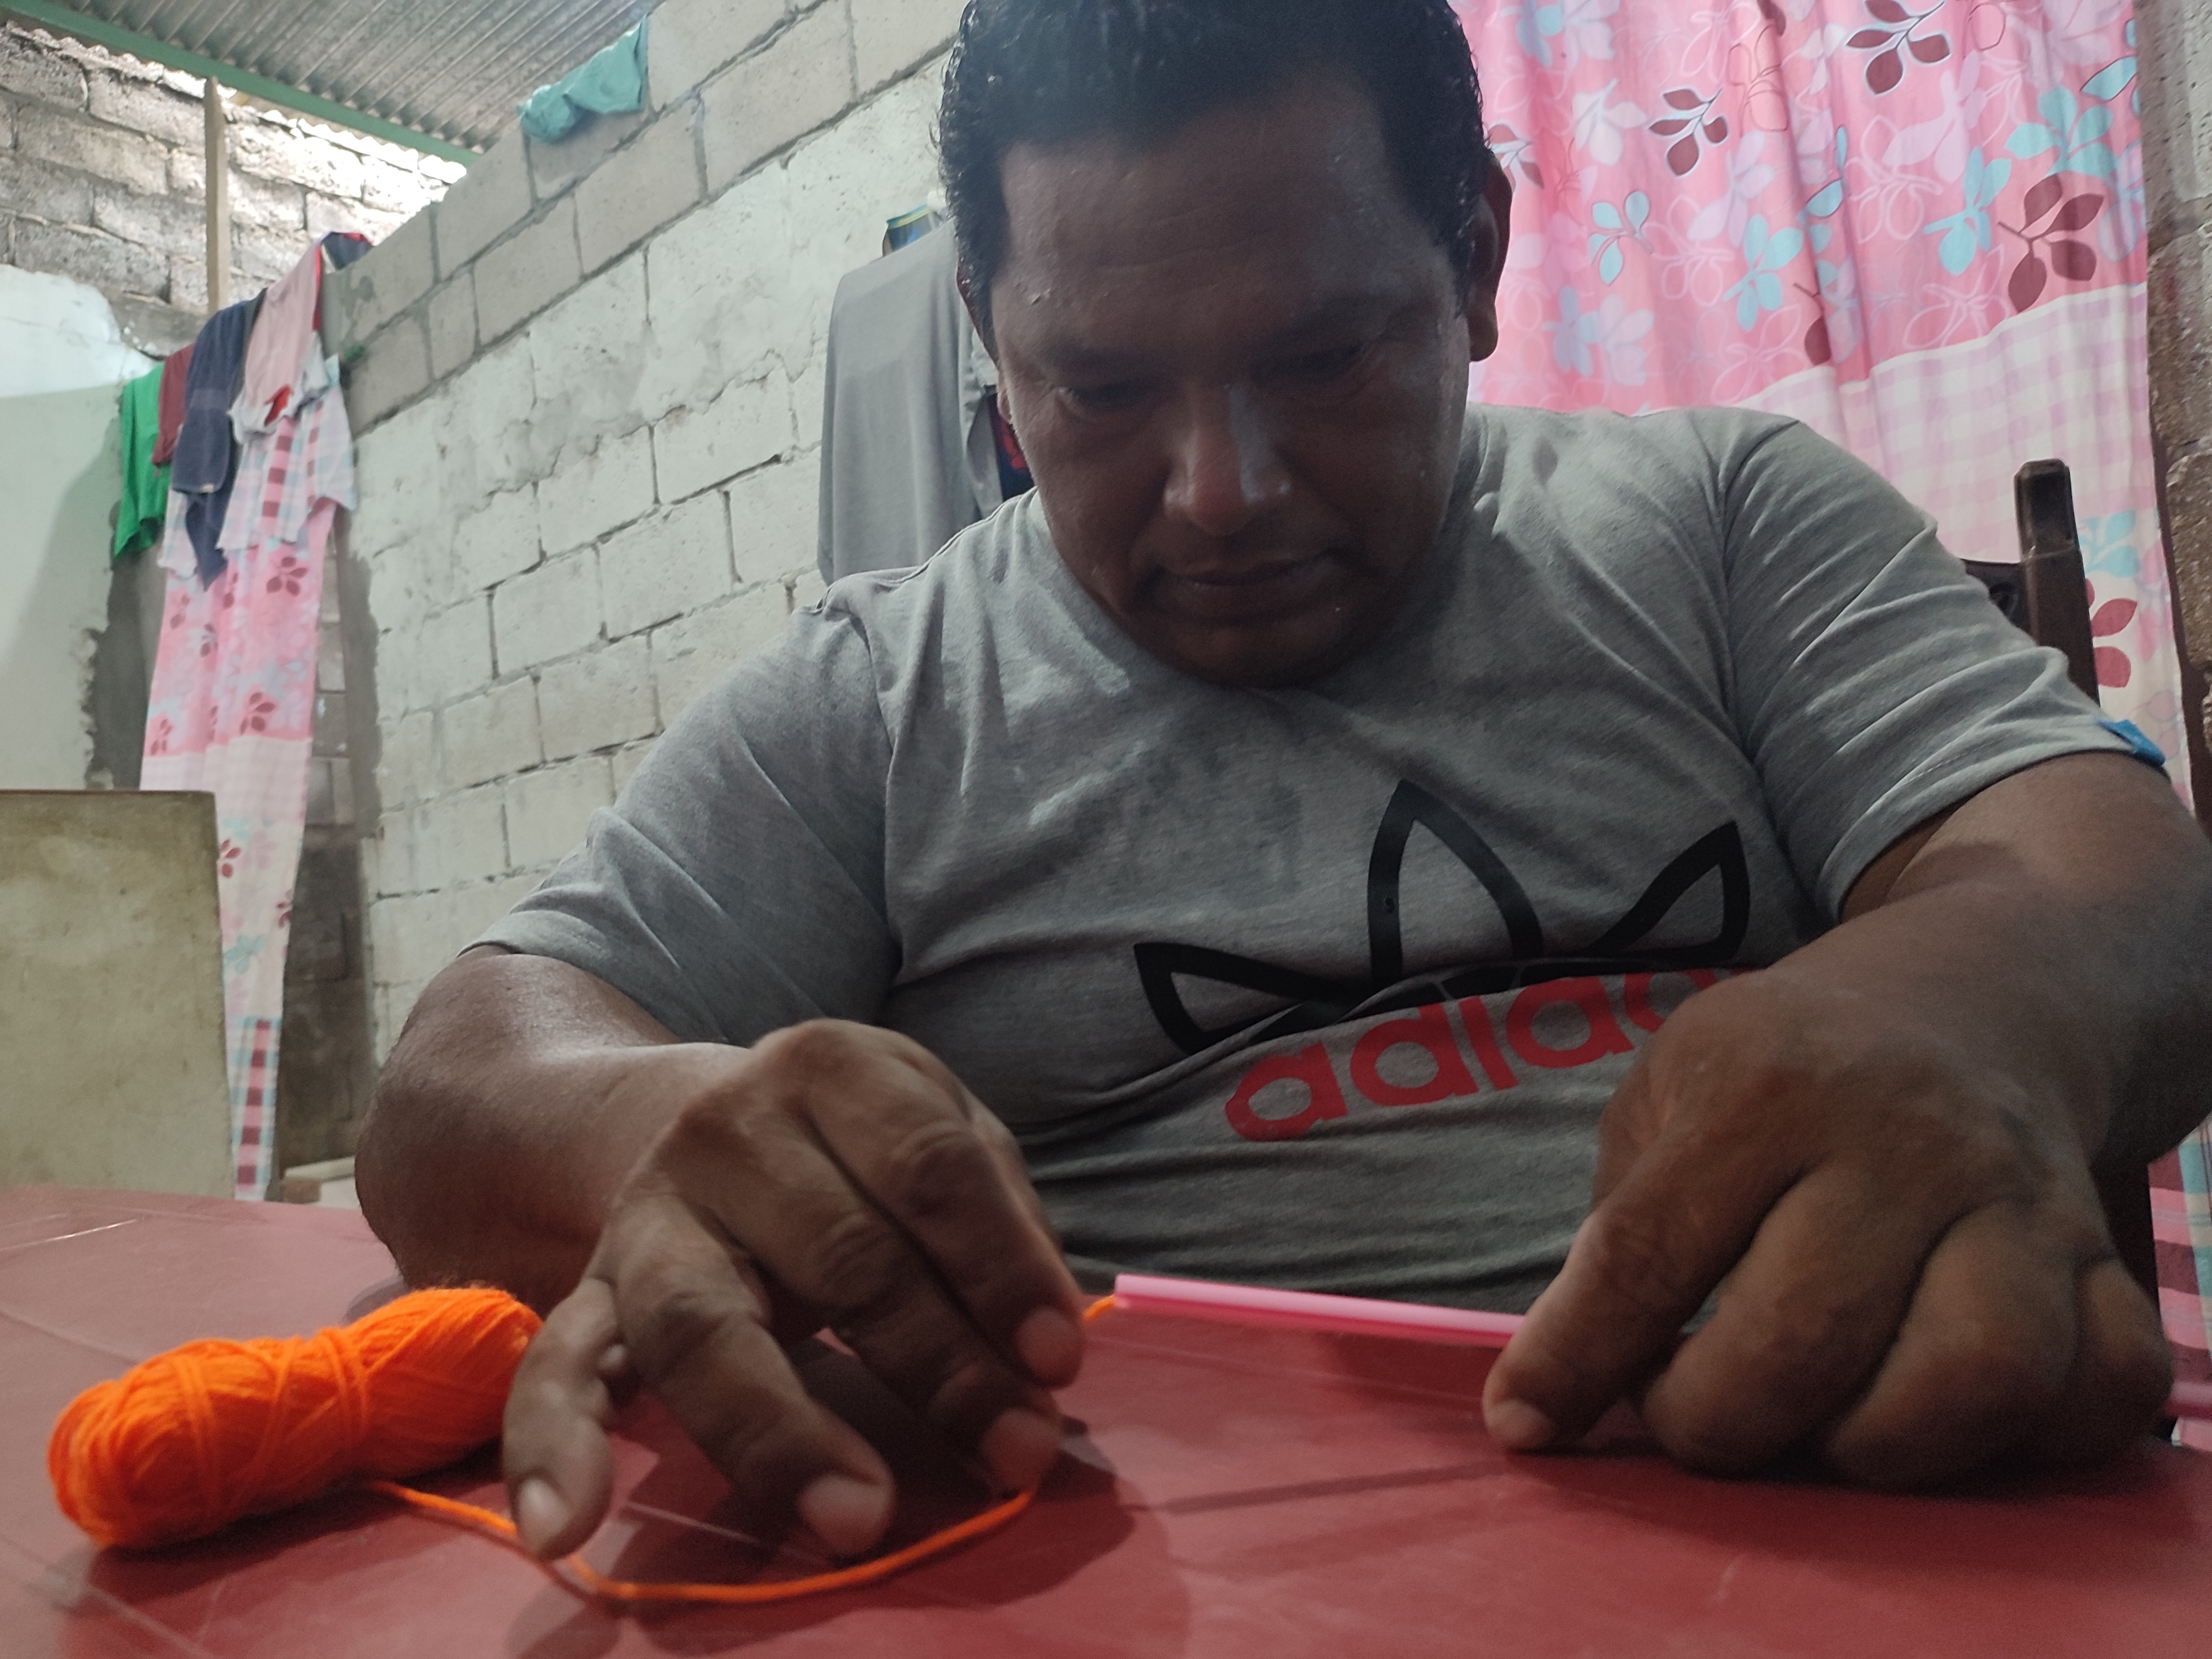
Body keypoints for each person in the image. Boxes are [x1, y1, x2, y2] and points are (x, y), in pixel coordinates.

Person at [358, 0, 2212, 1564]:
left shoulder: (1720, 524)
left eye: (1322, 357)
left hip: (1821, 1512)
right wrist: (659, 1131)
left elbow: (2123, 884)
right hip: (1163, 1574)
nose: (1222, 491)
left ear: (1474, 261)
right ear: (990, 345)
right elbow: (449, 1088)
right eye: (1099, 393)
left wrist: (1971, 1011)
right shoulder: (883, 698)